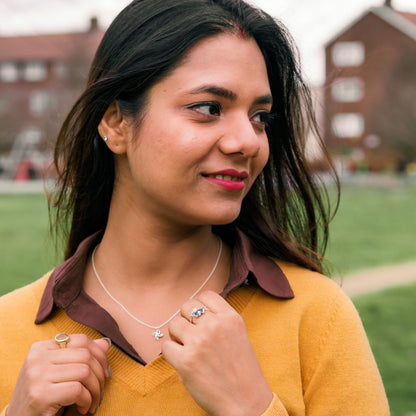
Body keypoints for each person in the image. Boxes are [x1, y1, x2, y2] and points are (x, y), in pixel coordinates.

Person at [0, 0, 389, 415]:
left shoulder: (316, 318)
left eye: (260, 116)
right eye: (209, 108)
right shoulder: (9, 329)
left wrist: (249, 406)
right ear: (116, 123)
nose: (248, 141)